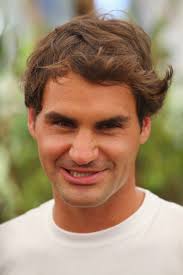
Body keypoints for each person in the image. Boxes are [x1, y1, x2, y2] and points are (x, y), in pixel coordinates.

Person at [0, 13, 182, 275]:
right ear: (32, 120)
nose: (82, 154)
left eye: (108, 127)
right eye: (63, 124)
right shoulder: (7, 252)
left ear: (144, 126)